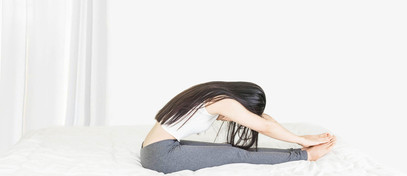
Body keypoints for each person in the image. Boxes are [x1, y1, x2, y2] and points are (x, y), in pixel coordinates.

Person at [140, 81, 336, 174]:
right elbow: (265, 126)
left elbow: (265, 120)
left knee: (233, 150)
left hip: (157, 150)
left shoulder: (213, 93)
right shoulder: (222, 100)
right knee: (238, 154)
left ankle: (297, 153)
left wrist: (299, 137)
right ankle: (305, 156)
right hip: (161, 156)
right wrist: (303, 141)